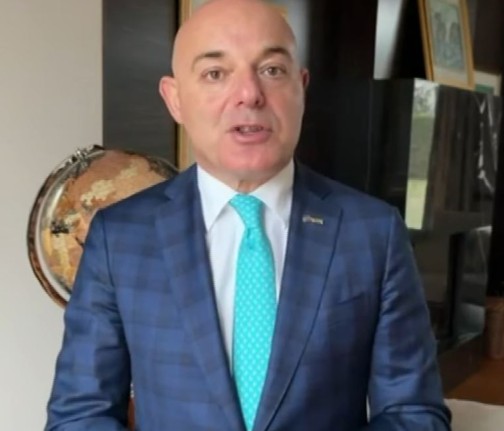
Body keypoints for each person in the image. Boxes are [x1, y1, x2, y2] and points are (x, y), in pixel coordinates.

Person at [45, 0, 451, 429]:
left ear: (301, 87)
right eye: (215, 73)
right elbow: (79, 416)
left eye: (272, 70)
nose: (249, 94)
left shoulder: (373, 233)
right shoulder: (119, 238)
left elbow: (413, 414)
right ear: (175, 99)